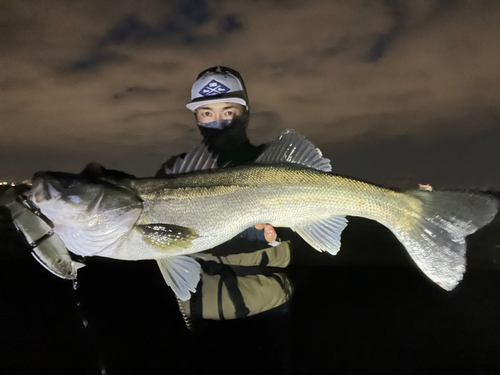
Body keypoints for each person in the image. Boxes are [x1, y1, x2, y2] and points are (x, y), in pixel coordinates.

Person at [156, 66, 293, 328]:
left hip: (266, 311)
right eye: (207, 113)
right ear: (196, 117)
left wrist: (271, 235)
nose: (217, 121)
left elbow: (298, 224)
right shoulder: (174, 171)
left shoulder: (271, 162)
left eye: (228, 112)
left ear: (245, 112)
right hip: (197, 313)